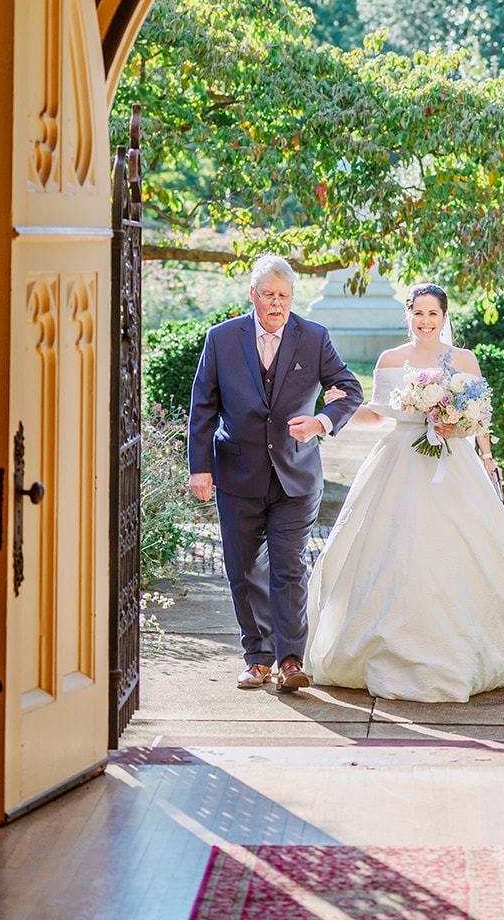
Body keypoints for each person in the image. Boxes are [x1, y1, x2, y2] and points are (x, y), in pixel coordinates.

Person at [304, 282, 504, 702]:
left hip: (453, 464)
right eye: (418, 313)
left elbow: (480, 419)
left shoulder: (464, 359)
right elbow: (379, 416)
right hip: (399, 461)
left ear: (444, 316)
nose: (425, 321)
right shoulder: (391, 359)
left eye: (433, 313)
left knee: (464, 548)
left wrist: (471, 437)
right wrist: (338, 406)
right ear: (409, 316)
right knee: (394, 549)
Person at [188, 254, 363, 691]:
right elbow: (203, 409)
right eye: (268, 295)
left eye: (284, 296)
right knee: (243, 570)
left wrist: (321, 422)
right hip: (237, 475)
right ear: (253, 295)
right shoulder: (222, 338)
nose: (276, 304)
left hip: (295, 477)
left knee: (288, 568)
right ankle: (257, 658)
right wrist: (200, 468)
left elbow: (351, 390)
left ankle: (289, 662)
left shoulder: (314, 338)